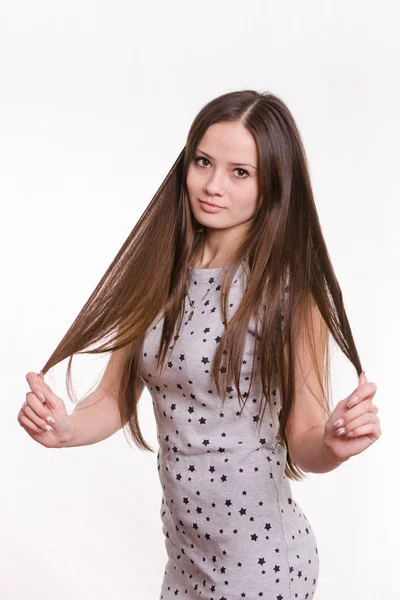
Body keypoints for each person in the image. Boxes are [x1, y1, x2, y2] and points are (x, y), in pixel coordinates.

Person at [18, 90, 381, 599]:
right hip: (185, 564)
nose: (212, 186)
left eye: (240, 172)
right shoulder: (155, 272)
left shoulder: (289, 293)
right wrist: (66, 427)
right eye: (203, 162)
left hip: (262, 569)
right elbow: (114, 397)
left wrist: (332, 445)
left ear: (273, 183)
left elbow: (305, 436)